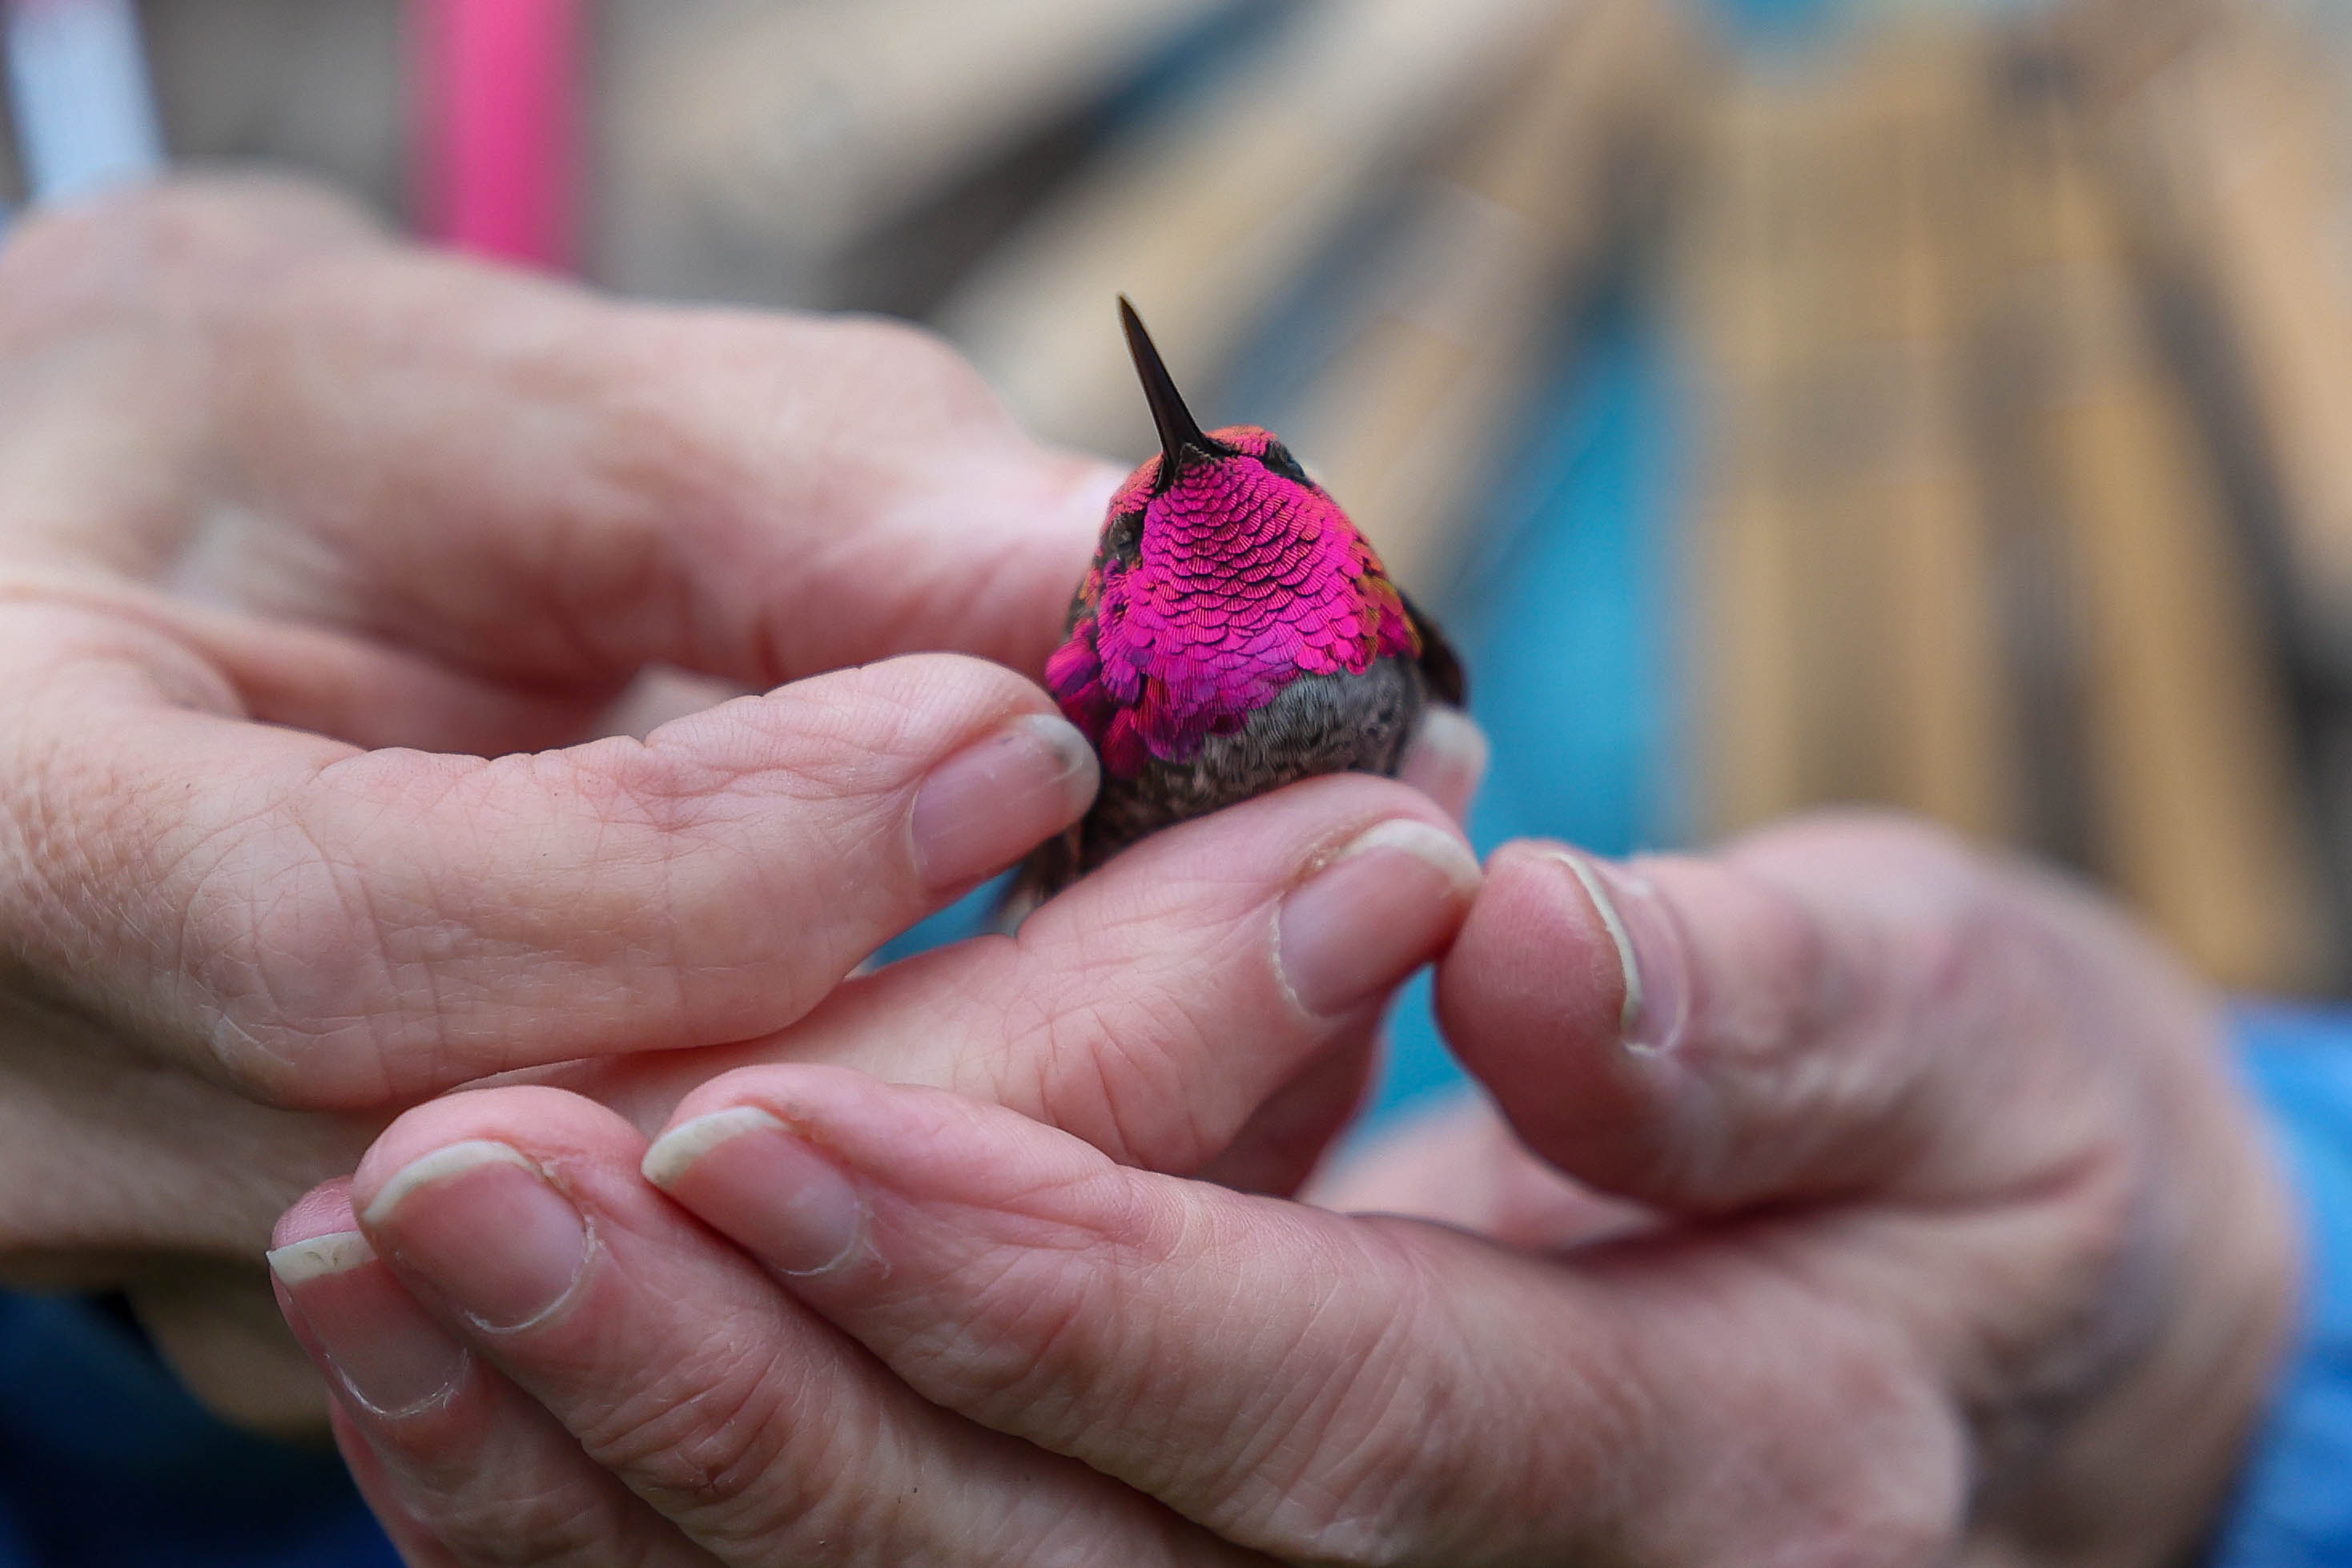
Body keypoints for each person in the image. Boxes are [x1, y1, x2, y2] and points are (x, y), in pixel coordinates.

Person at [1, 178, 2339, 1566]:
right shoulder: (1101, 644)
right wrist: (131, 1249)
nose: (1203, 491)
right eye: (1154, 509)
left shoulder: (1350, 608)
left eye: (1251, 479)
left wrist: (2246, 1327)